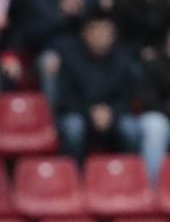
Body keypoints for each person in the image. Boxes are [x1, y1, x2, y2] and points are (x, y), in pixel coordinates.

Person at [55, 11, 140, 165]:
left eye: (106, 30)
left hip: (112, 114)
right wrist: (90, 112)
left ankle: (127, 176)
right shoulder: (70, 58)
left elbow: (127, 96)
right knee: (73, 127)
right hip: (80, 113)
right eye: (96, 29)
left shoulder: (123, 59)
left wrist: (111, 111)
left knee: (130, 128)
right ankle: (73, 179)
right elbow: (65, 97)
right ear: (86, 33)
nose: (101, 34)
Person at [137, 27, 170, 183]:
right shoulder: (153, 65)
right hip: (157, 115)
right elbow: (148, 100)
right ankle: (153, 185)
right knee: (156, 127)